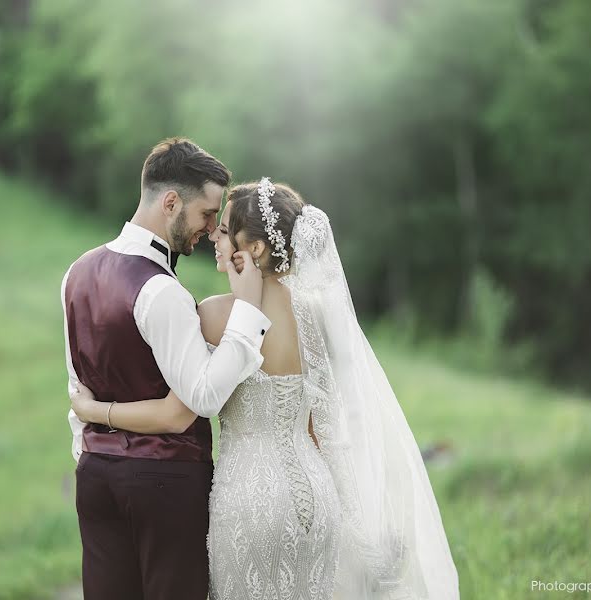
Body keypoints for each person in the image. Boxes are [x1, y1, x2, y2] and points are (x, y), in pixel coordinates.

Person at [72, 178, 461, 599]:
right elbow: (322, 422)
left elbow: (180, 408)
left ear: (255, 248)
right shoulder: (317, 316)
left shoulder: (215, 316)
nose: (214, 238)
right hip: (316, 493)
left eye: (224, 230)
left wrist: (94, 411)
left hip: (247, 500)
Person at [61, 138, 271, 600]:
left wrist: (91, 452)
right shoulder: (161, 291)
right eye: (207, 214)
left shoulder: (75, 273)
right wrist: (249, 314)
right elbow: (202, 398)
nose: (212, 229)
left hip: (95, 477)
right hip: (165, 483)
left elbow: (80, 387)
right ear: (171, 201)